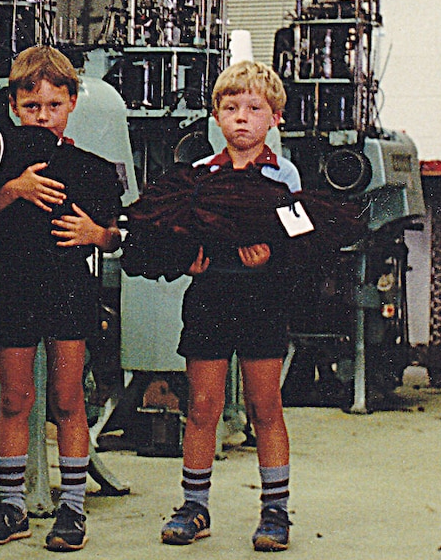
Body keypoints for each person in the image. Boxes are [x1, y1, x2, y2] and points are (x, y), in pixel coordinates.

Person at [0, 46, 122, 552]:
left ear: (73, 102)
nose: (42, 116)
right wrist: (14, 189)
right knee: (14, 399)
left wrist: (95, 234)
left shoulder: (93, 169)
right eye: (31, 106)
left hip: (67, 288)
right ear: (14, 105)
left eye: (53, 105)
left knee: (67, 399)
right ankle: (12, 506)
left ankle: (72, 509)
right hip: (12, 285)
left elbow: (120, 233)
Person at [152, 60, 299, 552]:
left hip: (264, 300)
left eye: (255, 108)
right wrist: (186, 261)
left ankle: (275, 512)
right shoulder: (196, 177)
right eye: (231, 107)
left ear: (274, 117)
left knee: (265, 406)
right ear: (215, 116)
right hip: (210, 297)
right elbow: (178, 235)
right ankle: (195, 506)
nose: (243, 117)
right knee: (203, 406)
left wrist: (272, 257)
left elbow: (302, 240)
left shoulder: (286, 175)